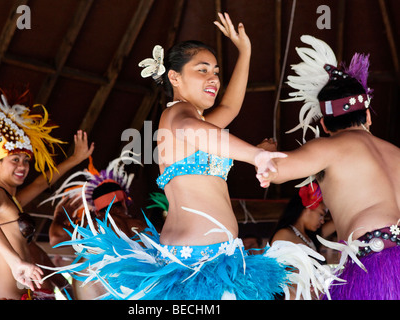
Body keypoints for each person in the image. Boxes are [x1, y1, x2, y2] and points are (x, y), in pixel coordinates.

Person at [41, 13, 334, 300]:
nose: (214, 78)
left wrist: (245, 52)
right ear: (174, 77)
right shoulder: (177, 113)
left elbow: (230, 108)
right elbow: (195, 131)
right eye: (203, 69)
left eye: (217, 71)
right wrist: (254, 154)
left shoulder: (199, 118)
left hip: (211, 258)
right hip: (196, 261)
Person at [258, 35, 400, 300]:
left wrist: (264, 151)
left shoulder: (328, 147)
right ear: (368, 115)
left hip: (375, 270)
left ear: (324, 125)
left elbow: (271, 171)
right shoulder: (396, 153)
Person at [0, 70, 94, 299]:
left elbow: (40, 183)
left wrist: (75, 160)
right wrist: (15, 262)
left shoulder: (11, 201)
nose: (23, 165)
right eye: (14, 160)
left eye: (26, 160)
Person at [45, 152, 146, 299]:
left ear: (96, 208)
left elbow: (56, 239)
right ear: (124, 201)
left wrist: (60, 217)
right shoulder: (143, 226)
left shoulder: (92, 226)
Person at [270, 181, 334, 253]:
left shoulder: (310, 237)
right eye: (321, 214)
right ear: (308, 208)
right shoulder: (284, 235)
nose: (322, 221)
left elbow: (338, 223)